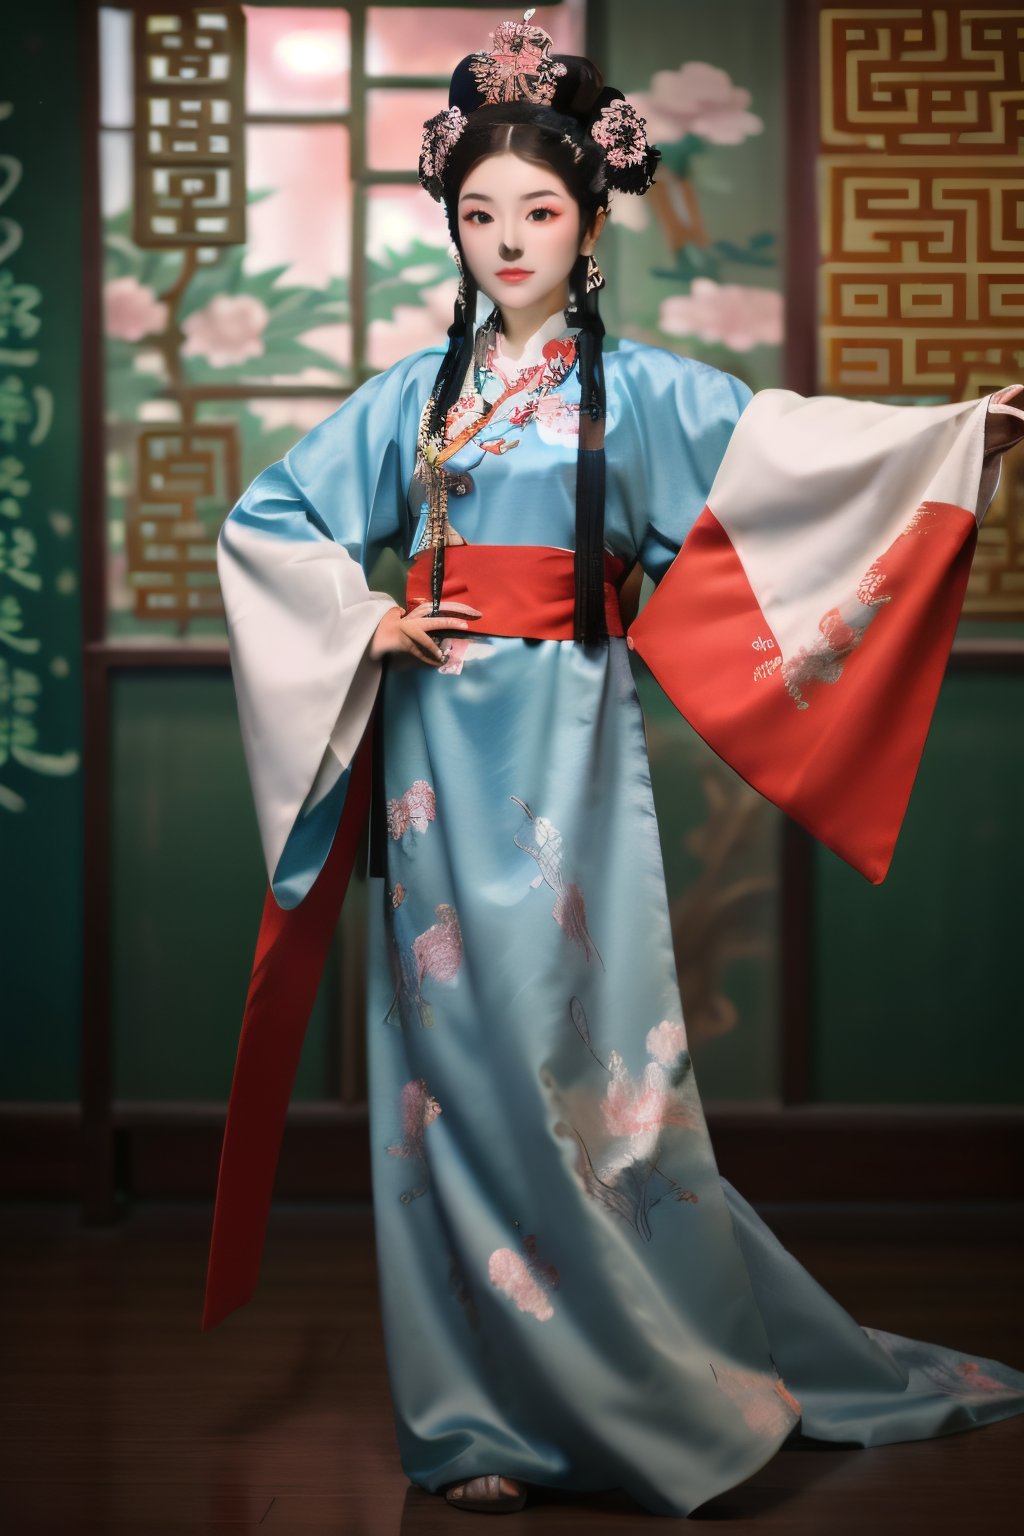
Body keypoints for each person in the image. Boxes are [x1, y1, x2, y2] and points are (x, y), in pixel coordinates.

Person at [204, 17, 1024, 1518]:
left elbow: (794, 465)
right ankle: (479, 1421)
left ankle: (644, 1381)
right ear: (450, 224)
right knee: (449, 1079)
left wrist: (952, 441)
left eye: (537, 211)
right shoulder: (414, 395)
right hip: (433, 767)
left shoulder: (637, 391)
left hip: (570, 747)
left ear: (586, 224)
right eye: (478, 213)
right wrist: (371, 614)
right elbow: (271, 522)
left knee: (586, 1072)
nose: (505, 239)